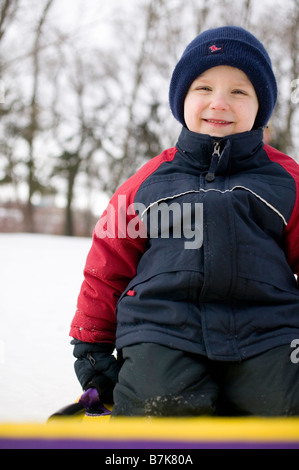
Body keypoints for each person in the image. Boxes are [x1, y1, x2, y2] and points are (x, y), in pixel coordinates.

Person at [70, 26, 299, 417]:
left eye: (239, 91)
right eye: (204, 88)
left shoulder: (286, 181)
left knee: (285, 409)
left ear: (260, 105)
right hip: (162, 328)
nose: (219, 103)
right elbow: (108, 264)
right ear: (183, 99)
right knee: (158, 406)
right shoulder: (148, 182)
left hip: (269, 330)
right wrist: (92, 345)